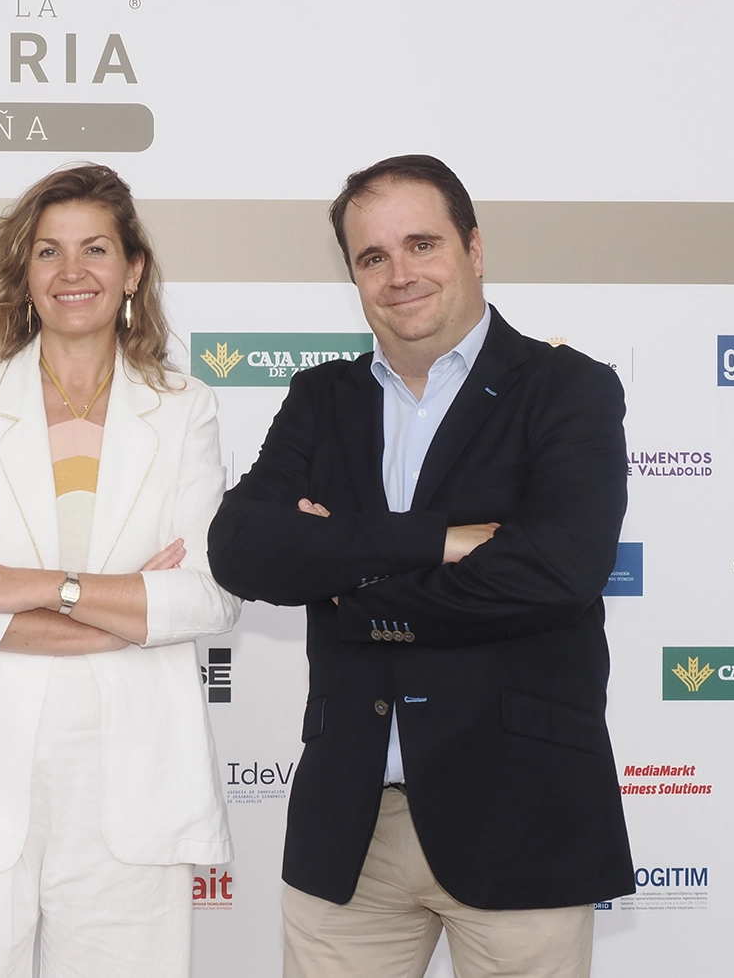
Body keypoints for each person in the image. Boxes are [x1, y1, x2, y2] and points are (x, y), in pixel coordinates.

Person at [207, 155, 634, 977]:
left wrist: (348, 585)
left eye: (421, 244)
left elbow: (559, 571)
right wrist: (433, 539)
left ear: (474, 249)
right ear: (354, 277)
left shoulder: (569, 388)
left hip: (520, 816)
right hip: (350, 829)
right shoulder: (319, 398)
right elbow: (241, 547)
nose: (399, 274)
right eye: (373, 257)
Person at [0, 164, 241, 978]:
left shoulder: (185, 407)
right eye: (49, 251)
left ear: (133, 270)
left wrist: (39, 585)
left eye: (95, 249)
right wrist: (123, 612)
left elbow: (207, 597)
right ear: (27, 273)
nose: (72, 272)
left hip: (133, 782)